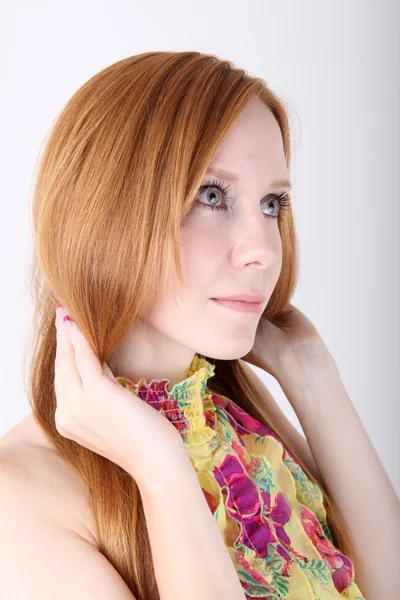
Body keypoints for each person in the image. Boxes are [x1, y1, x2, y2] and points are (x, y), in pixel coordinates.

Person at [1, 50, 395, 599]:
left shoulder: (242, 425)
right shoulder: (18, 496)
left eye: (272, 203)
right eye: (212, 196)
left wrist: (312, 377)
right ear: (105, 214)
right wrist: (160, 466)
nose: (263, 249)